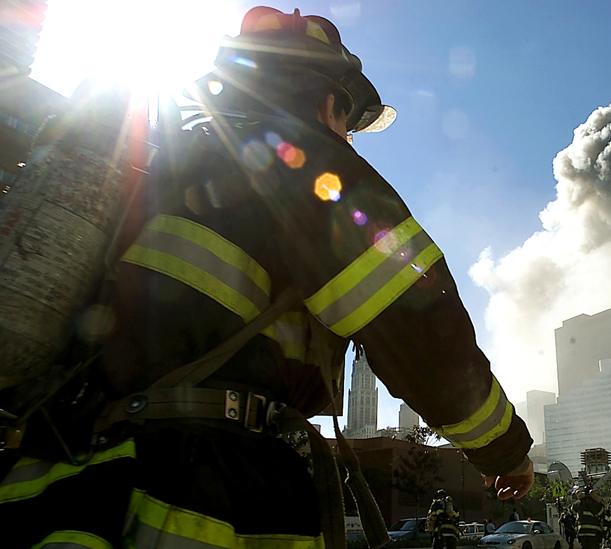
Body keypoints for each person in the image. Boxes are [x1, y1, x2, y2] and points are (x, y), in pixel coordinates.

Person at [0, 5, 535, 547]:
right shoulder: (305, 164)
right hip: (198, 493)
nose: (349, 138)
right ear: (330, 99)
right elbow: (418, 325)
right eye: (349, 123)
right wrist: (504, 450)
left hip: (59, 486)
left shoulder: (164, 166)